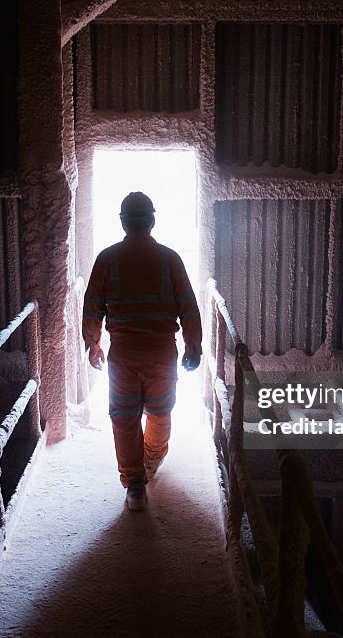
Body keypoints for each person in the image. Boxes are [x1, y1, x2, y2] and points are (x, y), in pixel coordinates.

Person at [82, 191, 202, 511]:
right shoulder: (170, 259)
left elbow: (93, 307)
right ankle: (150, 460)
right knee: (160, 412)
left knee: (123, 418)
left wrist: (92, 343)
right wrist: (194, 345)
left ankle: (135, 485)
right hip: (162, 352)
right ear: (152, 220)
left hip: (123, 353)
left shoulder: (107, 259)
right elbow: (188, 307)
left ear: (123, 223)